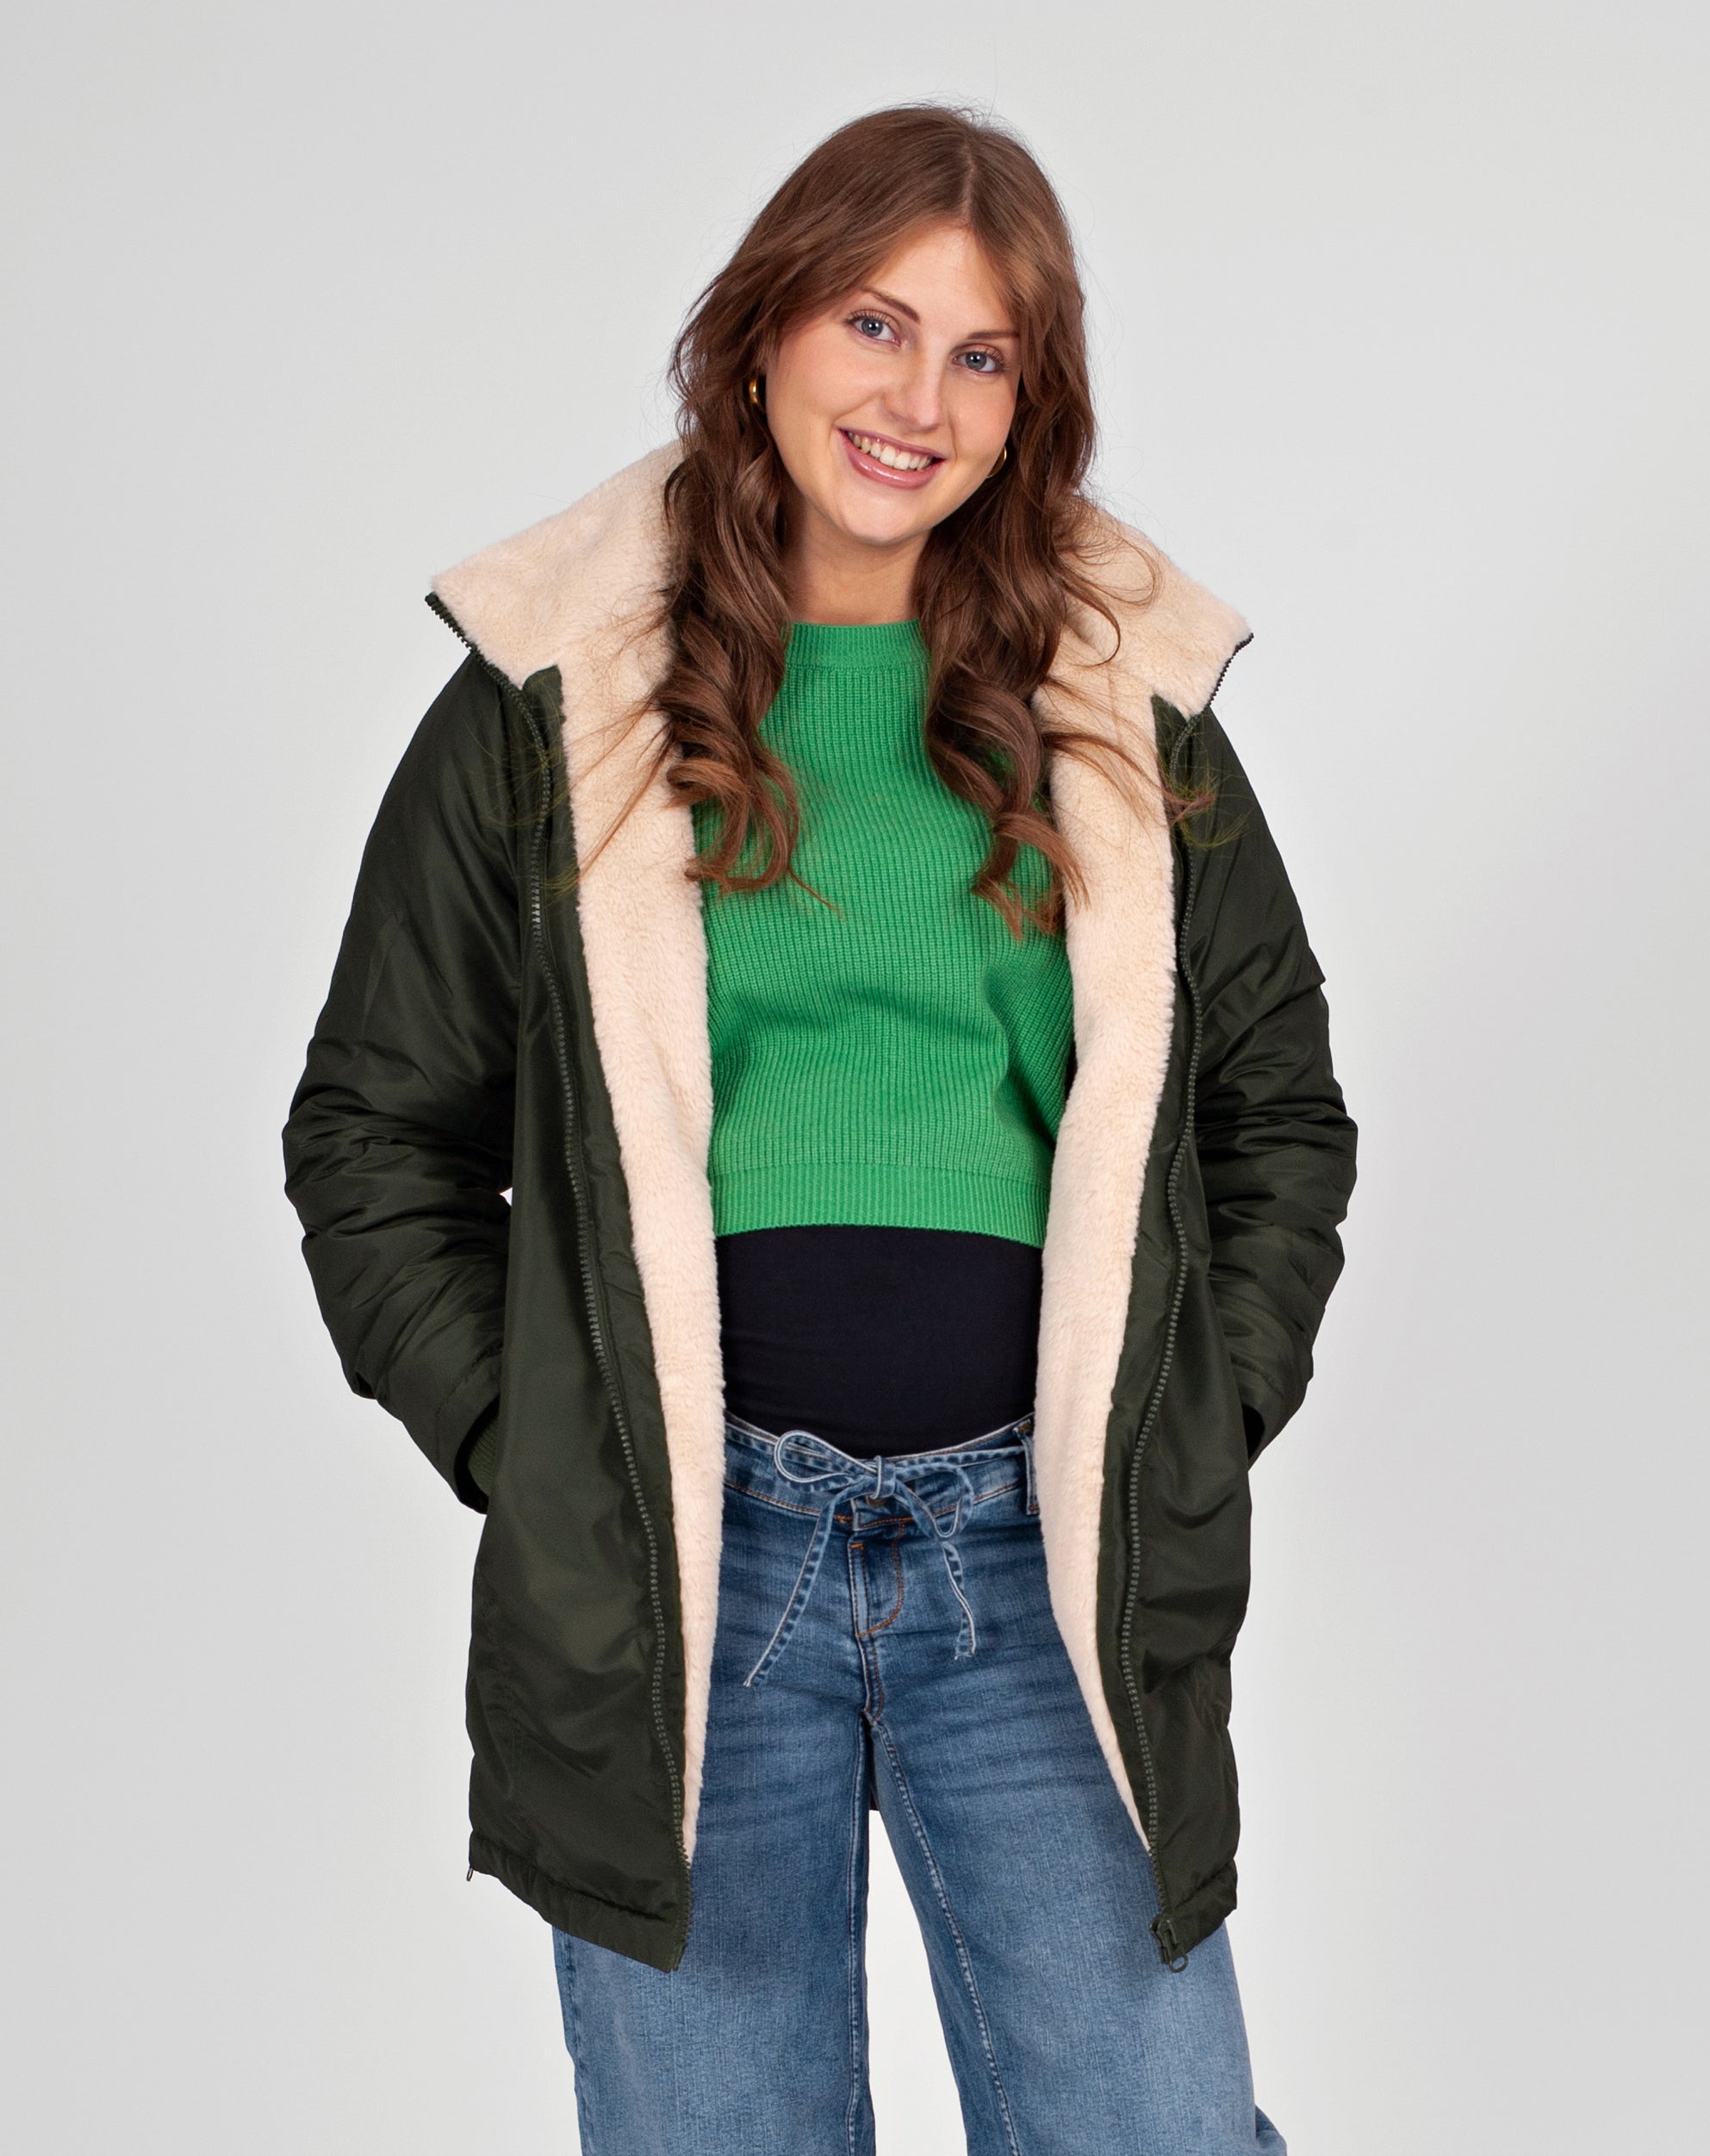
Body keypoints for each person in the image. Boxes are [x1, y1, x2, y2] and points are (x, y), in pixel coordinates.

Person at [284, 102, 1356, 2156]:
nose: (916, 401)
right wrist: (550, 1450)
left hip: (1037, 1562)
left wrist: (1188, 1421)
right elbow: (373, 1134)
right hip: (695, 1581)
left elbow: (1274, 1113)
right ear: (764, 326)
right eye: (875, 323)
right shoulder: (551, 693)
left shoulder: (1117, 704)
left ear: (1027, 406)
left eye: (982, 356)